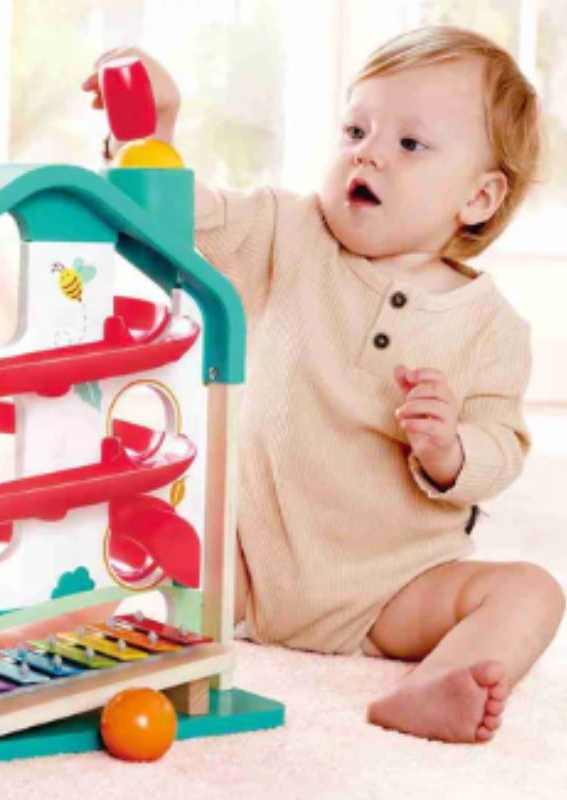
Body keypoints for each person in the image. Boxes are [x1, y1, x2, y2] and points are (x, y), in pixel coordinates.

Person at [76, 27, 565, 743]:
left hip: (396, 591)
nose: (367, 153)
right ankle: (38, 643)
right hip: (243, 569)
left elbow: (503, 447)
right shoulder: (286, 231)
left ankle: (439, 682)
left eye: (410, 143)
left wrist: (452, 449)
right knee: (120, 507)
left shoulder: (492, 326)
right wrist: (152, 135)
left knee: (533, 590)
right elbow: (175, 222)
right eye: (355, 130)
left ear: (479, 197)